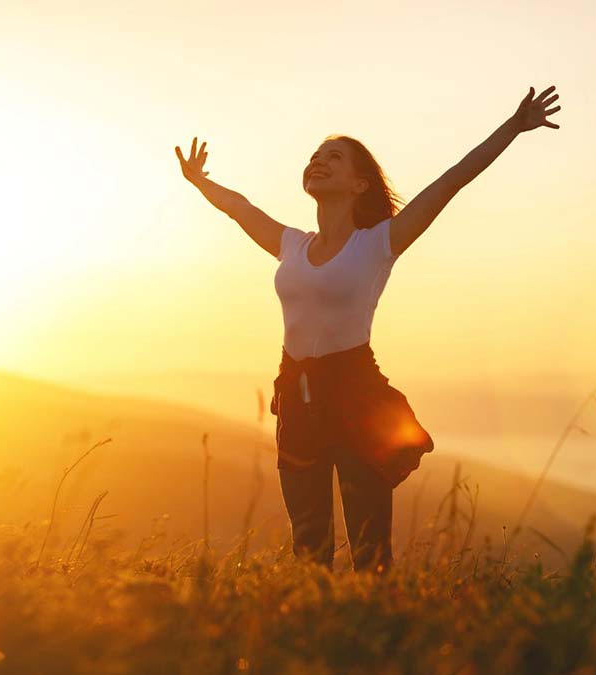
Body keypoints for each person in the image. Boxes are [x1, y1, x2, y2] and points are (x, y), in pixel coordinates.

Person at [174, 86, 562, 573]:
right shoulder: (289, 245)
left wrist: (513, 127)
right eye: (315, 156)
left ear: (360, 185)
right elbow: (240, 208)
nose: (319, 161)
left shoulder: (380, 242)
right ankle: (314, 633)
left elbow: (451, 182)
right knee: (309, 544)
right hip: (297, 396)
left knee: (369, 547)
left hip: (356, 395)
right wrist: (199, 182)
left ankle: (375, 634)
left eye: (333, 157)